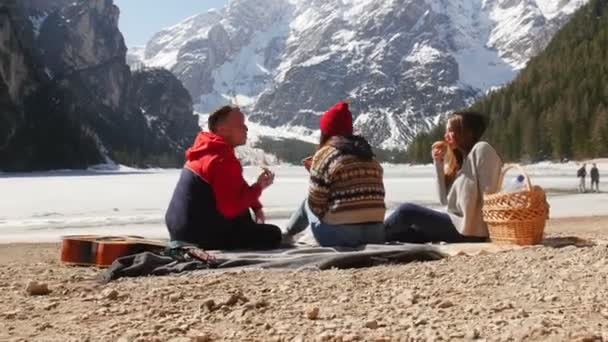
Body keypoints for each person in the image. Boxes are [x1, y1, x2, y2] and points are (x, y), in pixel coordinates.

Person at [165, 105, 282, 250]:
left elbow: (237, 187)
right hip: (198, 236)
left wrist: (256, 206)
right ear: (222, 130)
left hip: (179, 230)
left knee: (243, 214)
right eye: (240, 125)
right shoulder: (222, 159)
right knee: (274, 234)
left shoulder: (206, 150)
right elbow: (230, 209)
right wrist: (258, 188)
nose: (246, 129)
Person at [385, 112, 503, 243]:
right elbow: (443, 200)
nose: (446, 136)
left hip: (471, 230)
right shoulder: (460, 162)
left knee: (406, 211)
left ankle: (369, 237)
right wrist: (439, 164)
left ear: (468, 133)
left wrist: (491, 233)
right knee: (406, 234)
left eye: (451, 131)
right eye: (446, 131)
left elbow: (491, 197)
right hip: (457, 226)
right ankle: (368, 241)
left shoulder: (482, 150)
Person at [282, 102, 386, 247]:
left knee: (307, 203)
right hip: (376, 234)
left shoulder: (325, 155)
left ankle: (286, 235)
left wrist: (315, 175)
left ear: (326, 131)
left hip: (341, 237)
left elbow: (316, 205)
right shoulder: (370, 156)